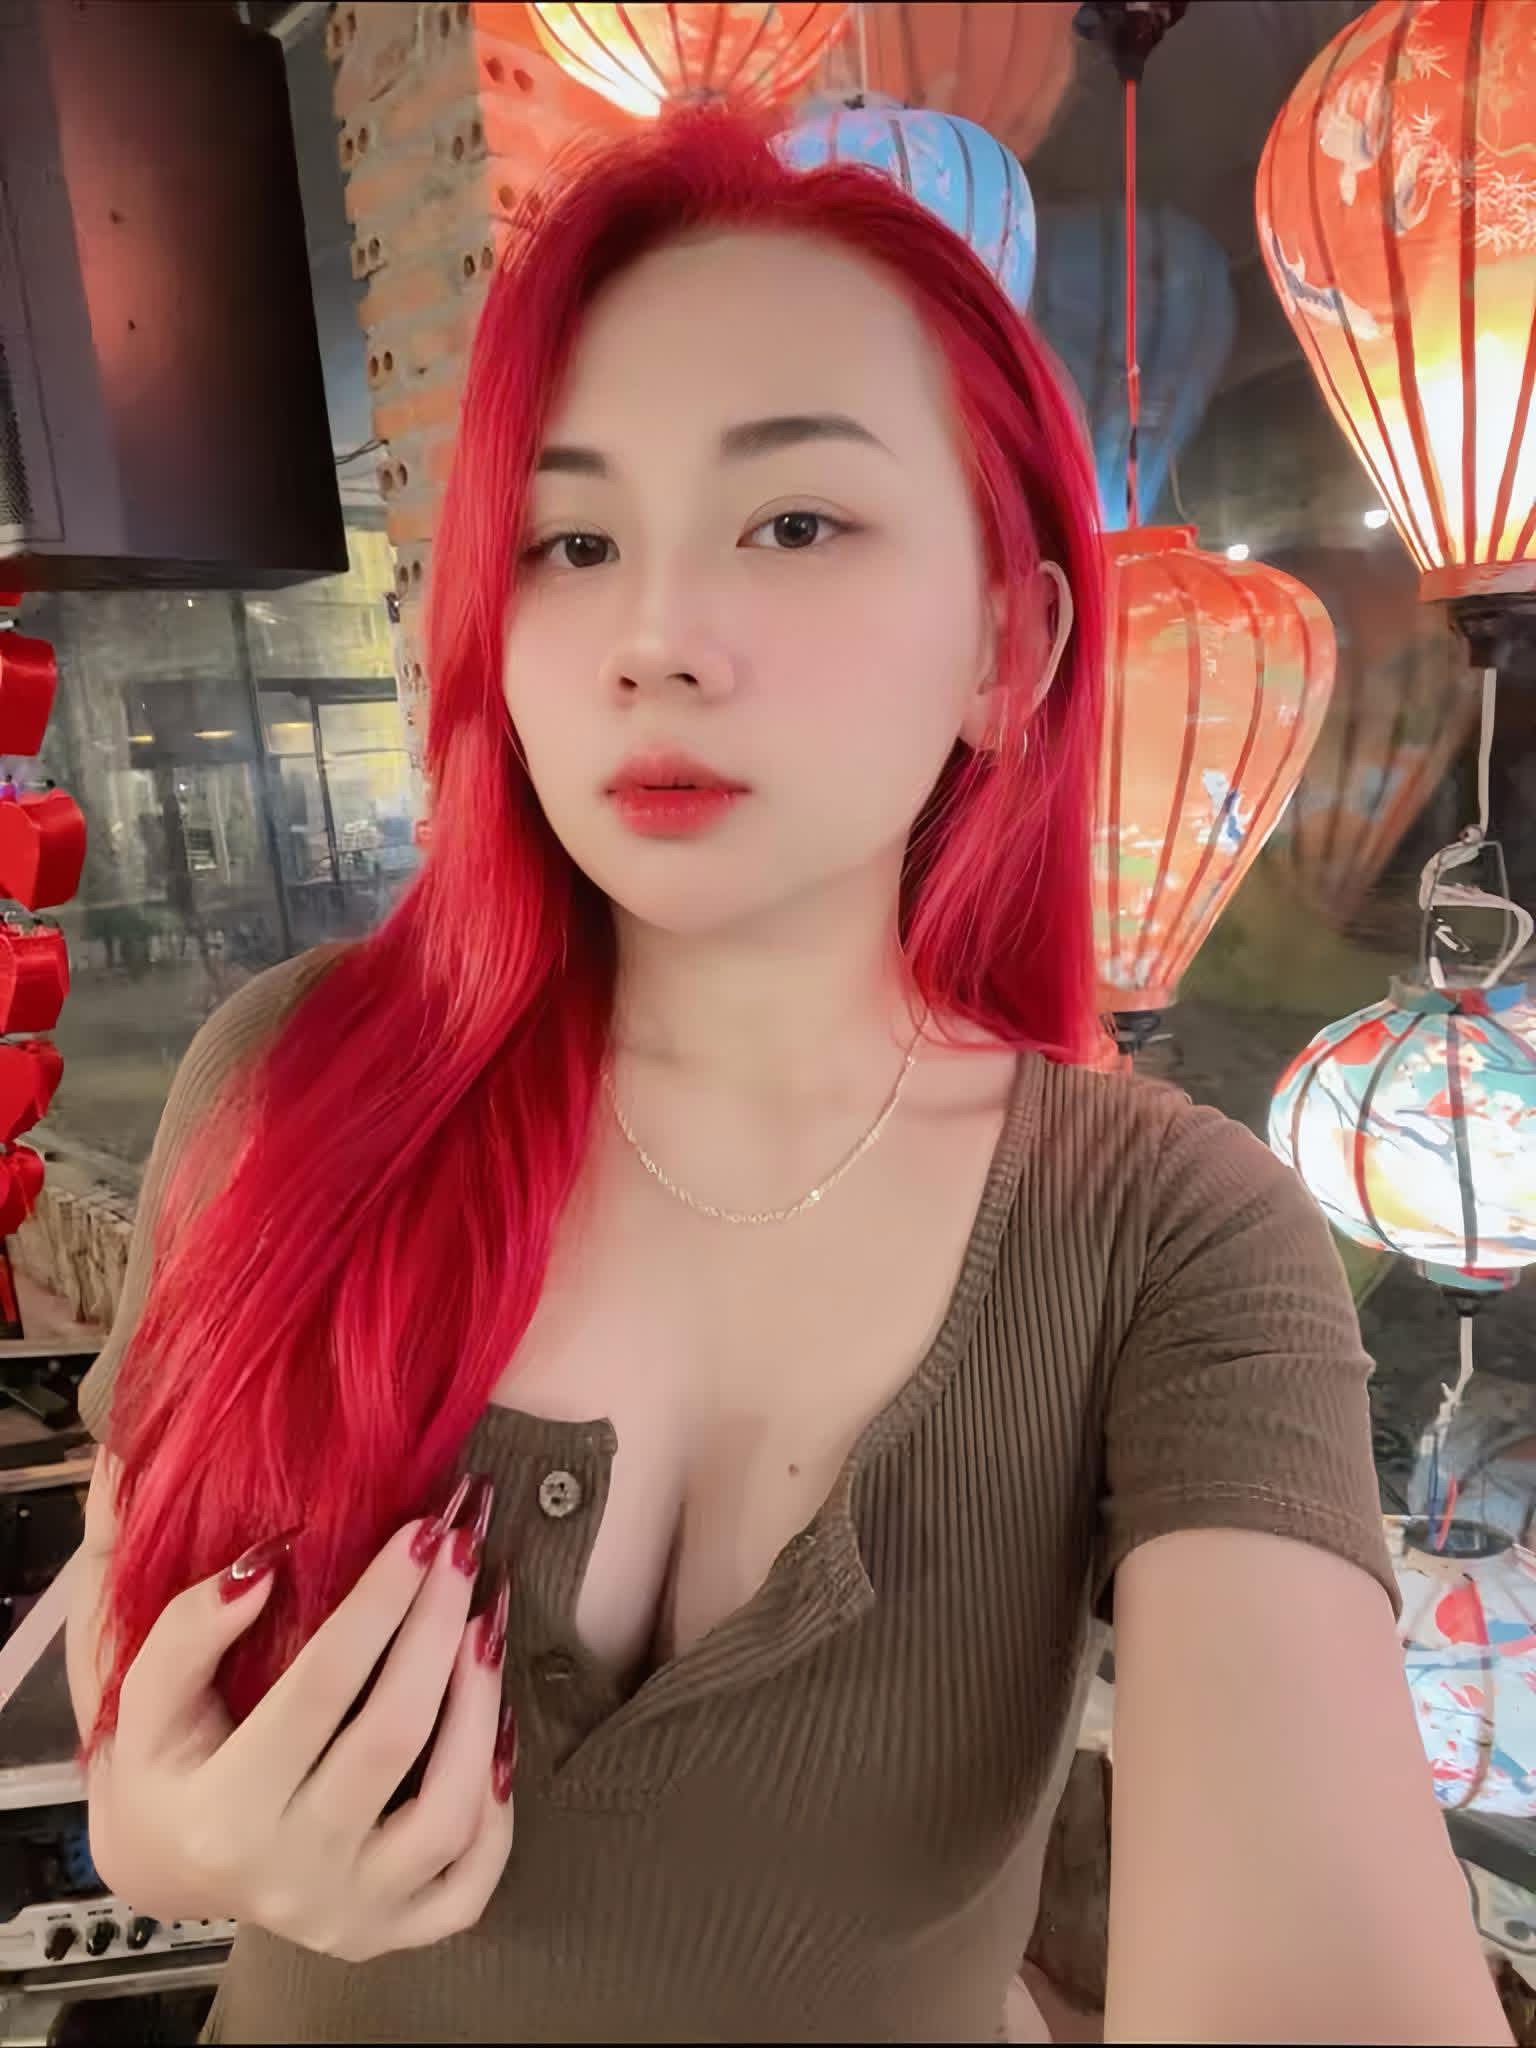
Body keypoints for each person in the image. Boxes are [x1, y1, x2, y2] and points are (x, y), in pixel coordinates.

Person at [65, 109, 1506, 2046]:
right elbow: (125, 1654)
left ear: (1009, 644)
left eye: (795, 522)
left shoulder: (1162, 1238)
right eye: (575, 541)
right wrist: (163, 1835)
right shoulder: (296, 1079)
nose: (655, 638)